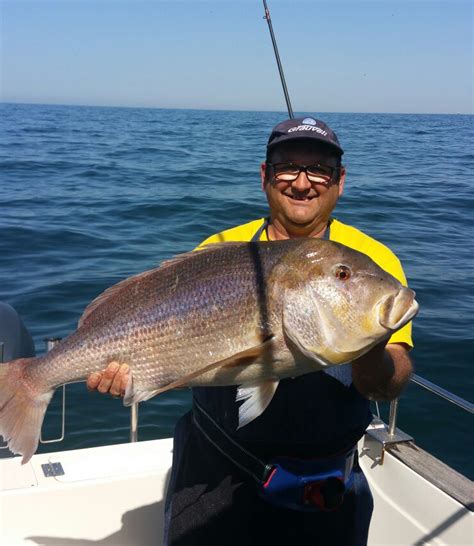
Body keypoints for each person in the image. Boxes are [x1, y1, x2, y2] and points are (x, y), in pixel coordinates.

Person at [87, 117, 414, 546]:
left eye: (319, 169)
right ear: (264, 176)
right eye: (286, 167)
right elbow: (166, 342)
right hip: (212, 481)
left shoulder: (373, 259)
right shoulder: (220, 248)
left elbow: (388, 384)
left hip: (327, 493)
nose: (302, 183)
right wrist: (133, 374)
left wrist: (369, 343)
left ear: (339, 182)